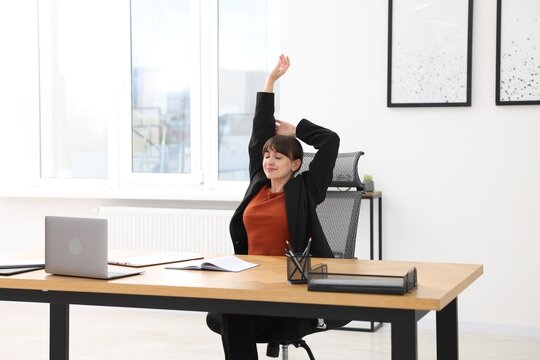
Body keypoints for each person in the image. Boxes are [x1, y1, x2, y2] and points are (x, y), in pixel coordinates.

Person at [207, 54, 340, 359]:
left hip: (287, 286)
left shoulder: (307, 190)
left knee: (232, 317)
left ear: (296, 164)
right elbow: (258, 135)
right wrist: (269, 83)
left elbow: (331, 141)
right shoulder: (257, 183)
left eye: (277, 157)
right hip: (249, 280)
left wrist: (297, 131)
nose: (269, 160)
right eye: (268, 156)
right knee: (229, 314)